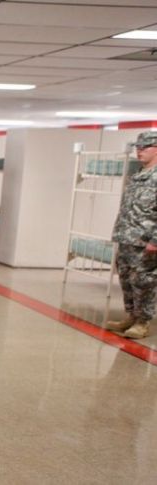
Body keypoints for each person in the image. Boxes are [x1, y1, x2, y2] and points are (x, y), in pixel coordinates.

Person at [106, 131, 157, 339]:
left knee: (144, 282)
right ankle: (131, 315)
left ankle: (143, 322)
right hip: (127, 236)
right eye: (138, 147)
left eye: (145, 147)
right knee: (126, 279)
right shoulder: (138, 174)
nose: (139, 151)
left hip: (145, 241)